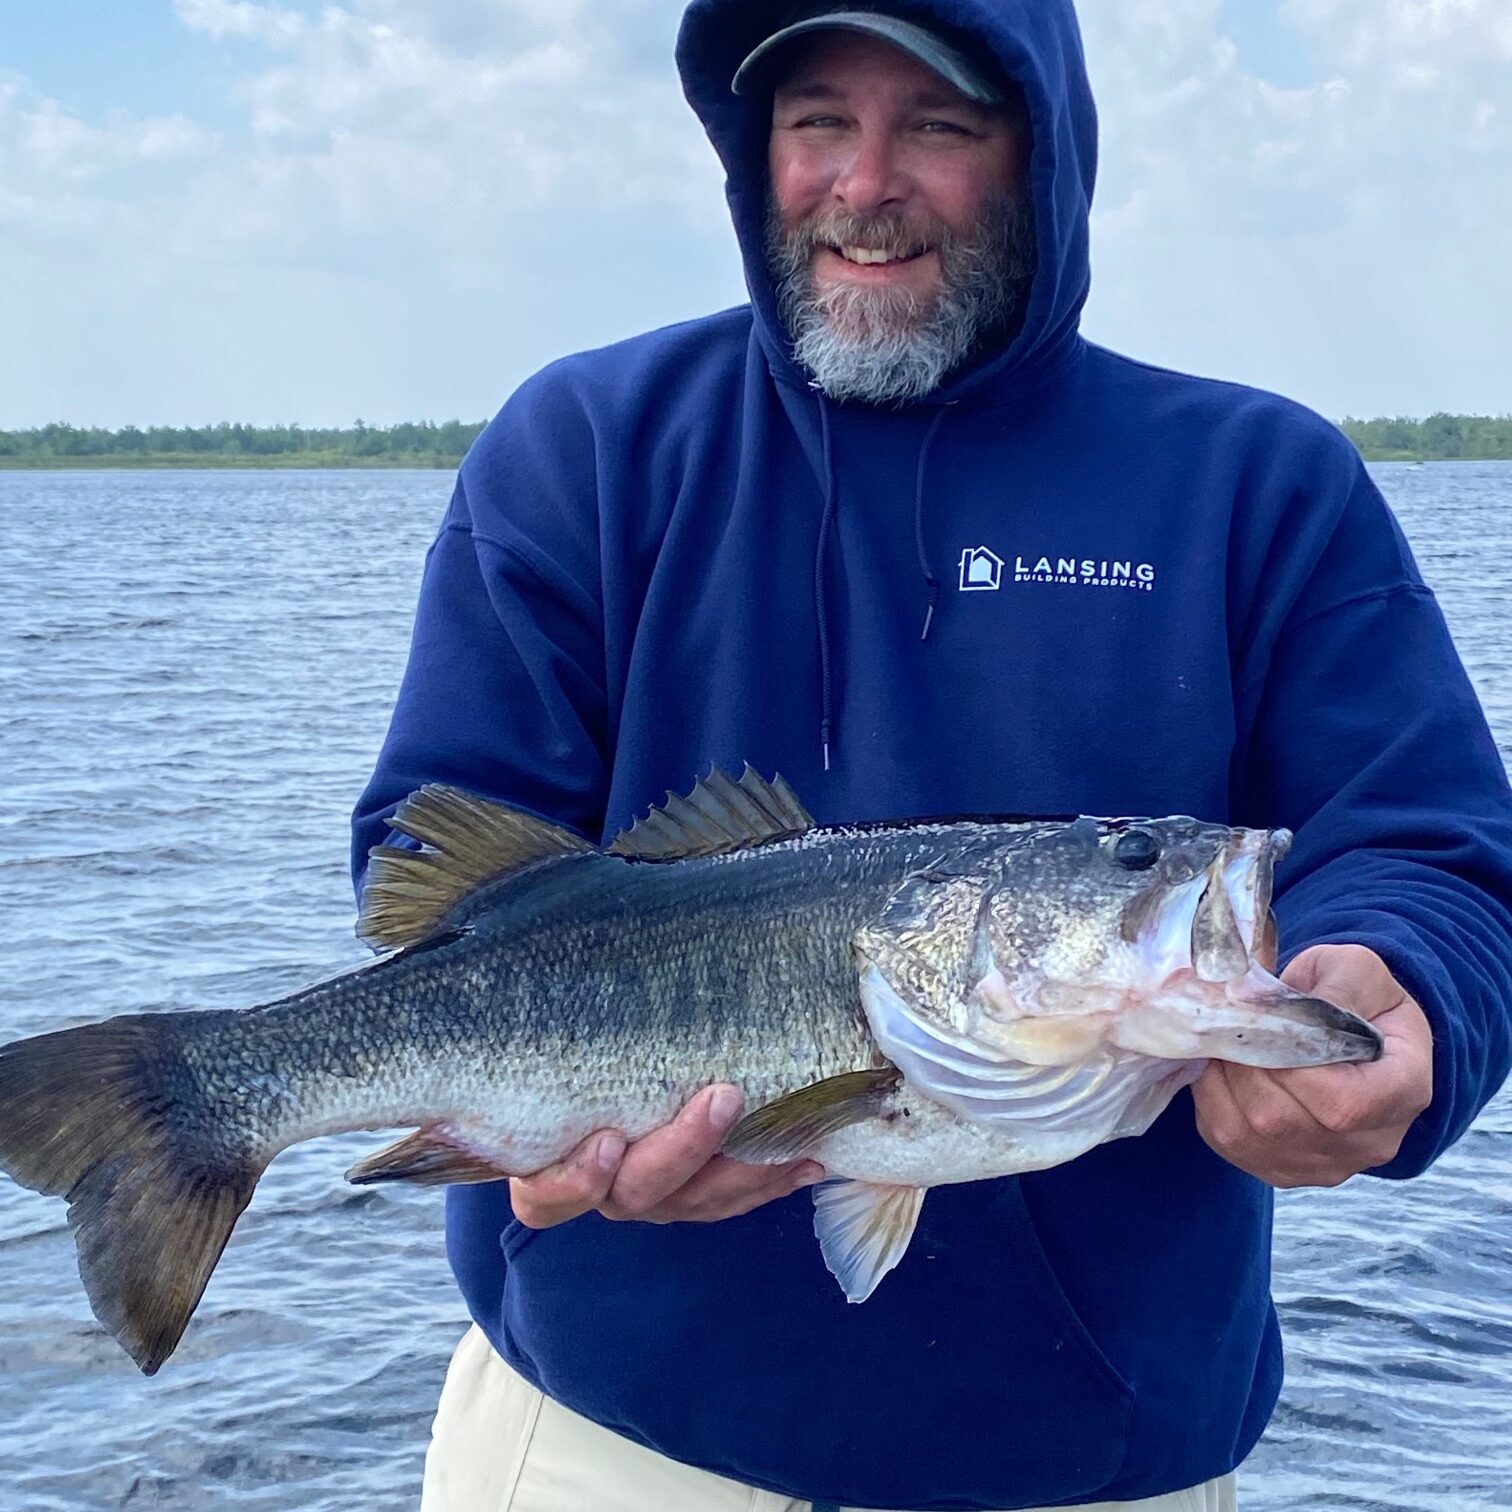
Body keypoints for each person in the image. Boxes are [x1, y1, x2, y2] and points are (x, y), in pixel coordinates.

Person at [352, 2, 1512, 1508]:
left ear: (1046, 154)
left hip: (1094, 1462)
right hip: (598, 1435)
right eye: (818, 119)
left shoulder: (1260, 485)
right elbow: (440, 869)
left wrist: (1402, 986)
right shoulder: (585, 442)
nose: (864, 181)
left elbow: (1428, 851)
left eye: (942, 125)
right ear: (749, 145)